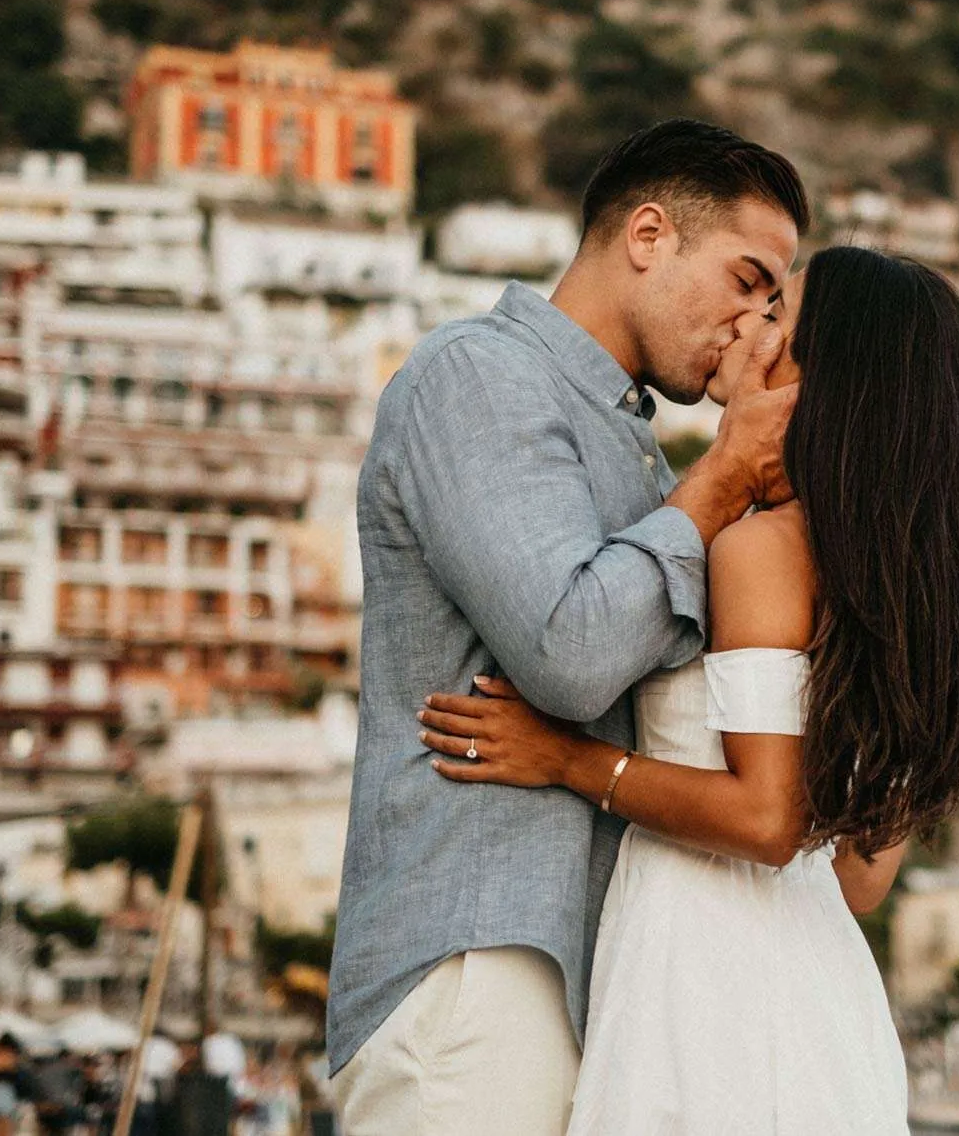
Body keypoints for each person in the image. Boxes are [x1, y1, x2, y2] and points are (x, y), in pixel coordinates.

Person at [419, 247, 959, 1133]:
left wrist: (569, 759)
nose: (751, 326)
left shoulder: (761, 548)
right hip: (824, 996)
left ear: (823, 379)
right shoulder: (900, 587)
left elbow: (768, 820)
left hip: (708, 979)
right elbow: (859, 878)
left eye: (779, 316)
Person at [325, 118, 807, 1136]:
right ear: (646, 236)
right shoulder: (478, 378)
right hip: (478, 958)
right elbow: (570, 653)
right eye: (745, 279)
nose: (753, 320)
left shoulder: (627, 445)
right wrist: (720, 478)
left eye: (773, 302)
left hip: (575, 969)